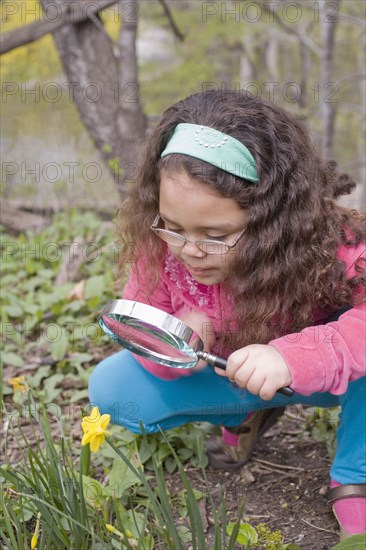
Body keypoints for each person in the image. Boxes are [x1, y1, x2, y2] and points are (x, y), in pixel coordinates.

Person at [89, 90, 366, 540]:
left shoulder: (332, 244)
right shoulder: (161, 248)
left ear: (273, 218)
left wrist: (296, 356)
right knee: (113, 389)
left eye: (216, 234)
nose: (191, 250)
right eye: (173, 226)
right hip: (231, 374)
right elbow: (144, 325)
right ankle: (243, 413)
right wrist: (181, 337)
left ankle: (355, 472)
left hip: (323, 377)